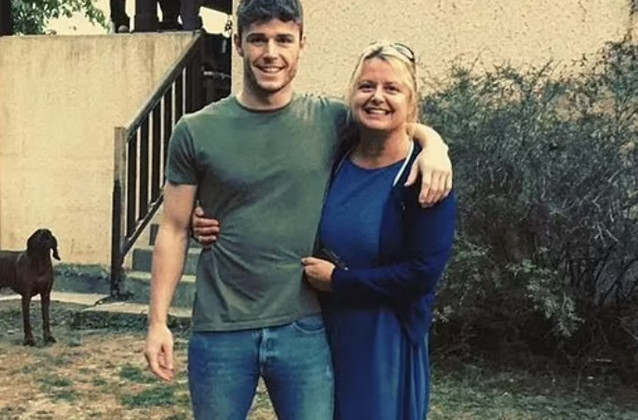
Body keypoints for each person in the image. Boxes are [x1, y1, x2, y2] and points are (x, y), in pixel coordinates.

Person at [144, 1, 452, 419]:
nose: (271, 53)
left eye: (284, 40)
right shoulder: (195, 130)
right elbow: (174, 229)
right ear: (238, 43)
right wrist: (157, 322)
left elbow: (389, 117)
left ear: (301, 44)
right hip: (220, 330)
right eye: (258, 39)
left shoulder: (330, 120)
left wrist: (434, 145)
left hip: (303, 328)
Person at [300, 41, 456, 419]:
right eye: (367, 86)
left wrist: (339, 281)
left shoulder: (424, 175)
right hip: (321, 333)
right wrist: (210, 213)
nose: (377, 97)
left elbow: (421, 274)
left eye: (392, 88)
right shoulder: (335, 155)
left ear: (411, 101)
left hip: (385, 341)